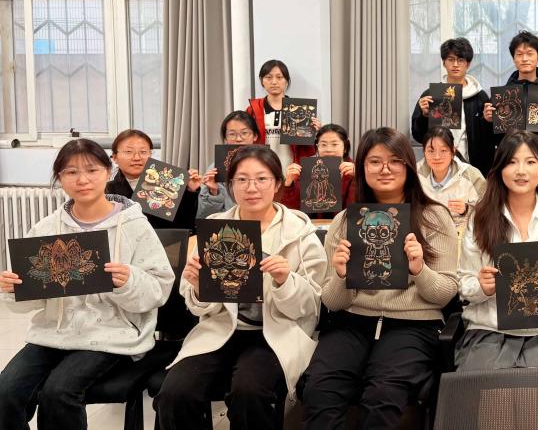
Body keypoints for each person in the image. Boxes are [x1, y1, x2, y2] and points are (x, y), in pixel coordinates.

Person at [0, 139, 174, 430]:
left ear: (108, 171)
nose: (82, 180)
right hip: (52, 332)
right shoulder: (46, 228)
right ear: (59, 178)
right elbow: (31, 301)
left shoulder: (134, 225)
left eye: (92, 170)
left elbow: (160, 288)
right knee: (6, 392)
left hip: (111, 333)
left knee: (59, 392)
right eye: (71, 172)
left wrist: (129, 281)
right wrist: (14, 289)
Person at [155, 145, 327, 429]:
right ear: (231, 185)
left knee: (250, 393)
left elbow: (311, 306)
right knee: (175, 394)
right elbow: (197, 306)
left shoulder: (300, 233)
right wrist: (197, 286)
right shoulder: (215, 227)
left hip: (276, 333)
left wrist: (286, 281)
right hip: (220, 328)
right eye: (242, 179)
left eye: (262, 179)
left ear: (277, 183)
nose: (252, 188)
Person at [299, 128, 459, 429]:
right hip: (351, 322)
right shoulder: (344, 221)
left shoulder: (434, 217)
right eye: (374, 161)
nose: (385, 169)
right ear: (361, 167)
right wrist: (343, 276)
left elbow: (445, 294)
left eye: (395, 160)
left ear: (408, 166)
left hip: (414, 325)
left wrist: (419, 270)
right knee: (319, 391)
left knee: (381, 395)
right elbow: (331, 302)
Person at [456, 130, 538, 370]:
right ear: (500, 168)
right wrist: (482, 287)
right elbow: (464, 283)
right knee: (485, 389)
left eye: (530, 162)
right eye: (512, 162)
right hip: (489, 329)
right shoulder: (481, 217)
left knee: (537, 389)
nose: (521, 171)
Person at [411, 37, 496, 173]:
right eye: (451, 59)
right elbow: (418, 135)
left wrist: (488, 121)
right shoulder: (431, 95)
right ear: (444, 63)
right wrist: (424, 116)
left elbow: (490, 139)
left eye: (460, 60)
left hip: (474, 166)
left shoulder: (480, 96)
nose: (455, 64)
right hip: (439, 164)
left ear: (468, 64)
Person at [246, 59, 319, 210]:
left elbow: (309, 150)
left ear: (286, 81)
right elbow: (246, 142)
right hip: (263, 169)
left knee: (290, 212)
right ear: (262, 81)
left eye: (279, 77)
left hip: (291, 170)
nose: (274, 82)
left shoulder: (300, 109)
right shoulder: (253, 109)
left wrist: (315, 132)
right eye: (268, 77)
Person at [484, 32, 538, 146]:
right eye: (519, 54)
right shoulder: (503, 95)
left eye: (530, 54)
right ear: (513, 58)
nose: (524, 59)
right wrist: (488, 121)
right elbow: (491, 140)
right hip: (512, 153)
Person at [107, 128, 201, 229]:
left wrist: (190, 191)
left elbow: (185, 225)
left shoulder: (167, 182)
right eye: (129, 152)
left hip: (165, 239)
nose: (137, 157)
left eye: (143, 152)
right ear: (115, 157)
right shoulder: (107, 190)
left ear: (150, 154)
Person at [417, 126, 485, 235]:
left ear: (453, 151)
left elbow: (488, 211)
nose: (437, 157)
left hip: (461, 238)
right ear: (424, 151)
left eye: (443, 150)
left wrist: (466, 209)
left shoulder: (471, 175)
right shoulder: (415, 174)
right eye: (431, 151)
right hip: (425, 237)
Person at [284, 123, 357, 218]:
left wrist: (358, 179)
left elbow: (357, 212)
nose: (328, 150)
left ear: (345, 147)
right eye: (323, 144)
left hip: (344, 225)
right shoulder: (306, 170)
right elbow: (292, 212)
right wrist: (288, 185)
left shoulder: (355, 171)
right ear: (317, 147)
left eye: (334, 144)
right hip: (313, 225)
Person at [198, 110, 260, 219]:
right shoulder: (216, 168)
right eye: (232, 134)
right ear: (225, 138)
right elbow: (204, 216)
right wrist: (213, 192)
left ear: (255, 136)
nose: (238, 139)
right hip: (228, 225)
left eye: (244, 133)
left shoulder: (266, 165)